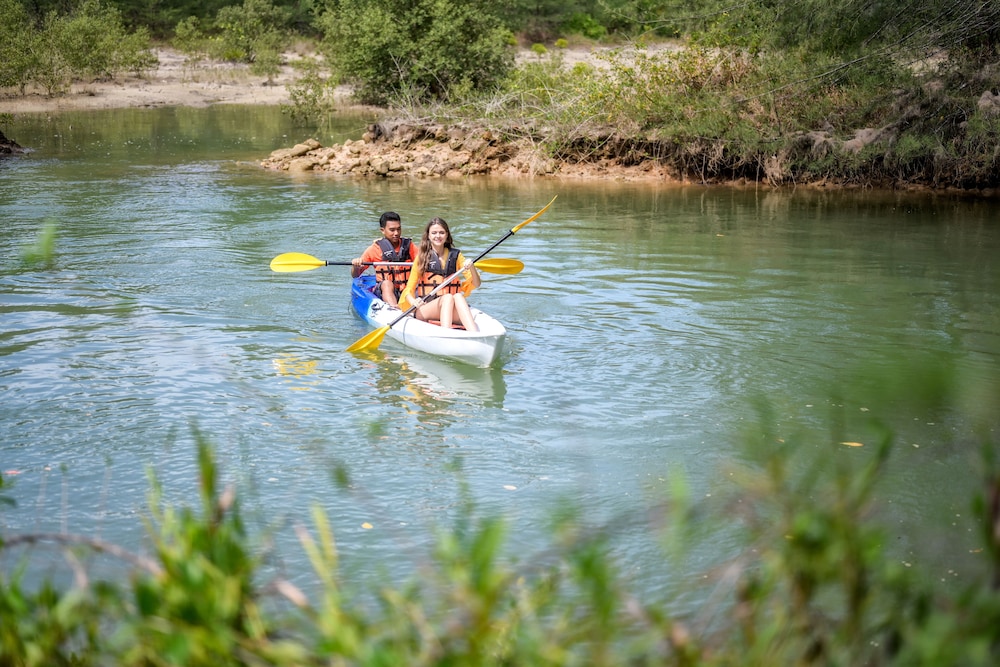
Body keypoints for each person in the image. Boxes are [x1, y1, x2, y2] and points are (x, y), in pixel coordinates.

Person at [400, 217, 481, 331]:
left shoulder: (456, 256)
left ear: (446, 235)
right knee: (447, 297)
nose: (438, 236)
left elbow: (476, 284)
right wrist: (413, 301)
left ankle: (474, 334)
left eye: (441, 233)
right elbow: (409, 289)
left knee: (457, 296)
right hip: (426, 309)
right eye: (434, 233)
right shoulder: (422, 258)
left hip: (450, 307)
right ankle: (447, 333)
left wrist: (472, 267)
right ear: (428, 235)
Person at [351, 211, 417, 307]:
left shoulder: (409, 246)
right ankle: (395, 309)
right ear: (383, 230)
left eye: (399, 229)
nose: (396, 233)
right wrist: (356, 266)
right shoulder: (374, 249)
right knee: (386, 284)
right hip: (384, 291)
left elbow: (423, 262)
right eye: (392, 230)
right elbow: (355, 275)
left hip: (406, 291)